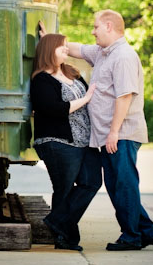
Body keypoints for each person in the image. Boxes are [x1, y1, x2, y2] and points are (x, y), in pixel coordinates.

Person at [66, 9, 153, 251]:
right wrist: (50, 40)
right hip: (109, 136)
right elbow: (76, 49)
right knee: (116, 185)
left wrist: (114, 133)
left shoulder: (123, 56)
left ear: (109, 27)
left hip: (122, 134)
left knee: (124, 185)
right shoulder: (102, 53)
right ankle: (147, 231)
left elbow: (124, 96)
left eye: (96, 27)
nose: (92, 31)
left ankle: (131, 237)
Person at [30, 33, 102, 251]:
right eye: (61, 47)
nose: (66, 49)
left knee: (92, 182)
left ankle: (58, 221)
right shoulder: (41, 79)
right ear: (49, 50)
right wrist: (86, 99)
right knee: (64, 188)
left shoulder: (71, 72)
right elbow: (54, 109)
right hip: (57, 141)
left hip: (84, 140)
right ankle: (65, 239)